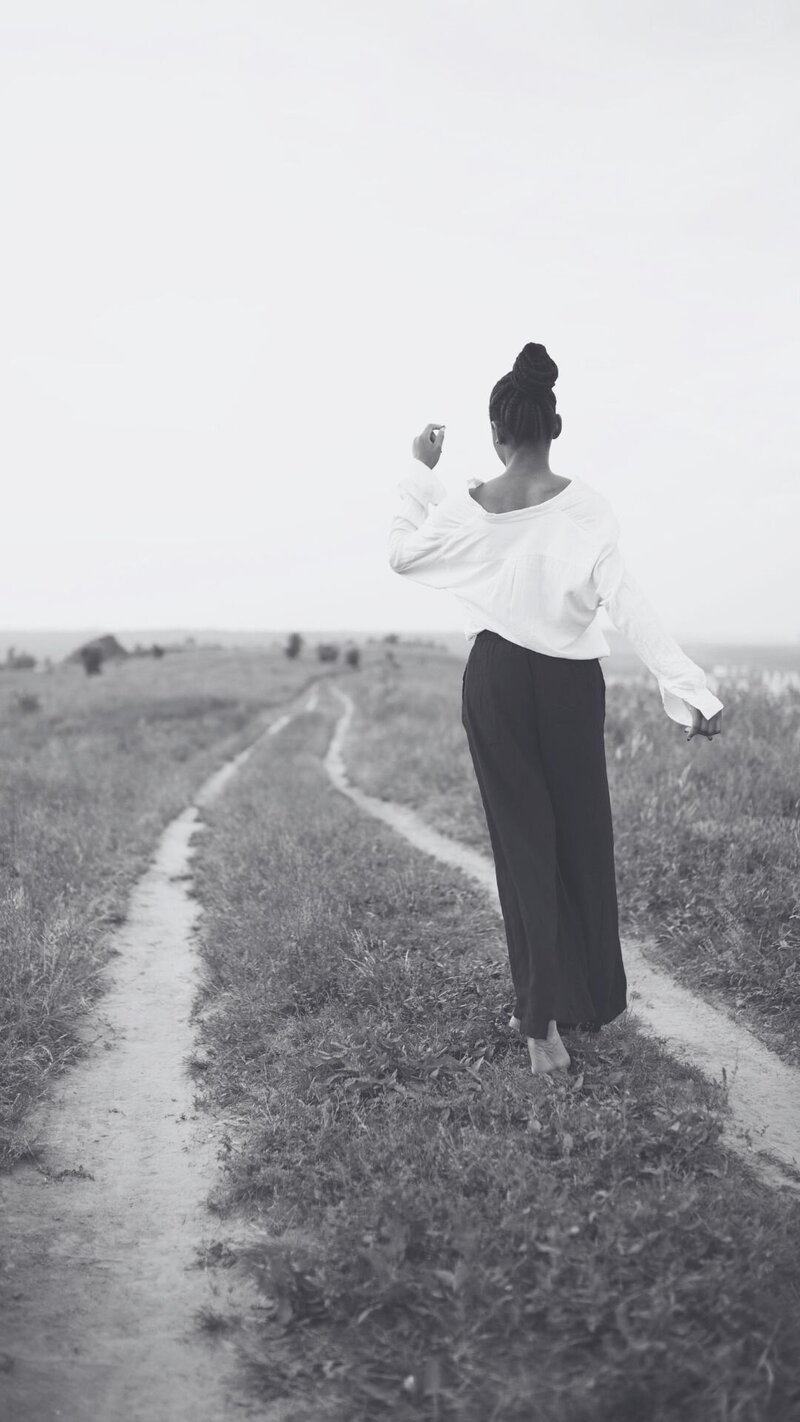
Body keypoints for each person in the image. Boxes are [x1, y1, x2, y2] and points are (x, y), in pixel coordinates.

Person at [388, 341, 723, 1075]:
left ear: (499, 433)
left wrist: (419, 469)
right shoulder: (586, 506)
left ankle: (541, 1018)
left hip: (496, 681)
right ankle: (562, 1007)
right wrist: (689, 689)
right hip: (570, 686)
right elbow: (628, 602)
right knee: (578, 841)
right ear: (554, 427)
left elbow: (403, 554)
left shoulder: (471, 505)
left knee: (524, 847)